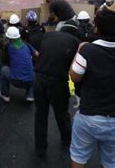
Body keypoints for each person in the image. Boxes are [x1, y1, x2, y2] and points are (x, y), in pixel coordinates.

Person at [69, 6, 115, 168]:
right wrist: (114, 15)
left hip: (88, 117)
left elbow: (74, 77)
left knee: (79, 157)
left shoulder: (87, 51)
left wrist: (79, 49)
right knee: (111, 162)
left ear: (97, 28)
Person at [34, 19, 80, 157]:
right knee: (61, 113)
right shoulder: (75, 42)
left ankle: (40, 148)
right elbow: (75, 69)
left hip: (38, 79)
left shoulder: (48, 35)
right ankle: (66, 139)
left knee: (40, 115)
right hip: (57, 83)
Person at [0, 26, 38, 103]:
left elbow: (3, 59)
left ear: (8, 37)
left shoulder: (8, 46)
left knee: (3, 70)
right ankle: (30, 95)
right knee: (32, 71)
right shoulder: (26, 44)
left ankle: (5, 95)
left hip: (16, 81)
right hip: (31, 80)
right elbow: (37, 54)